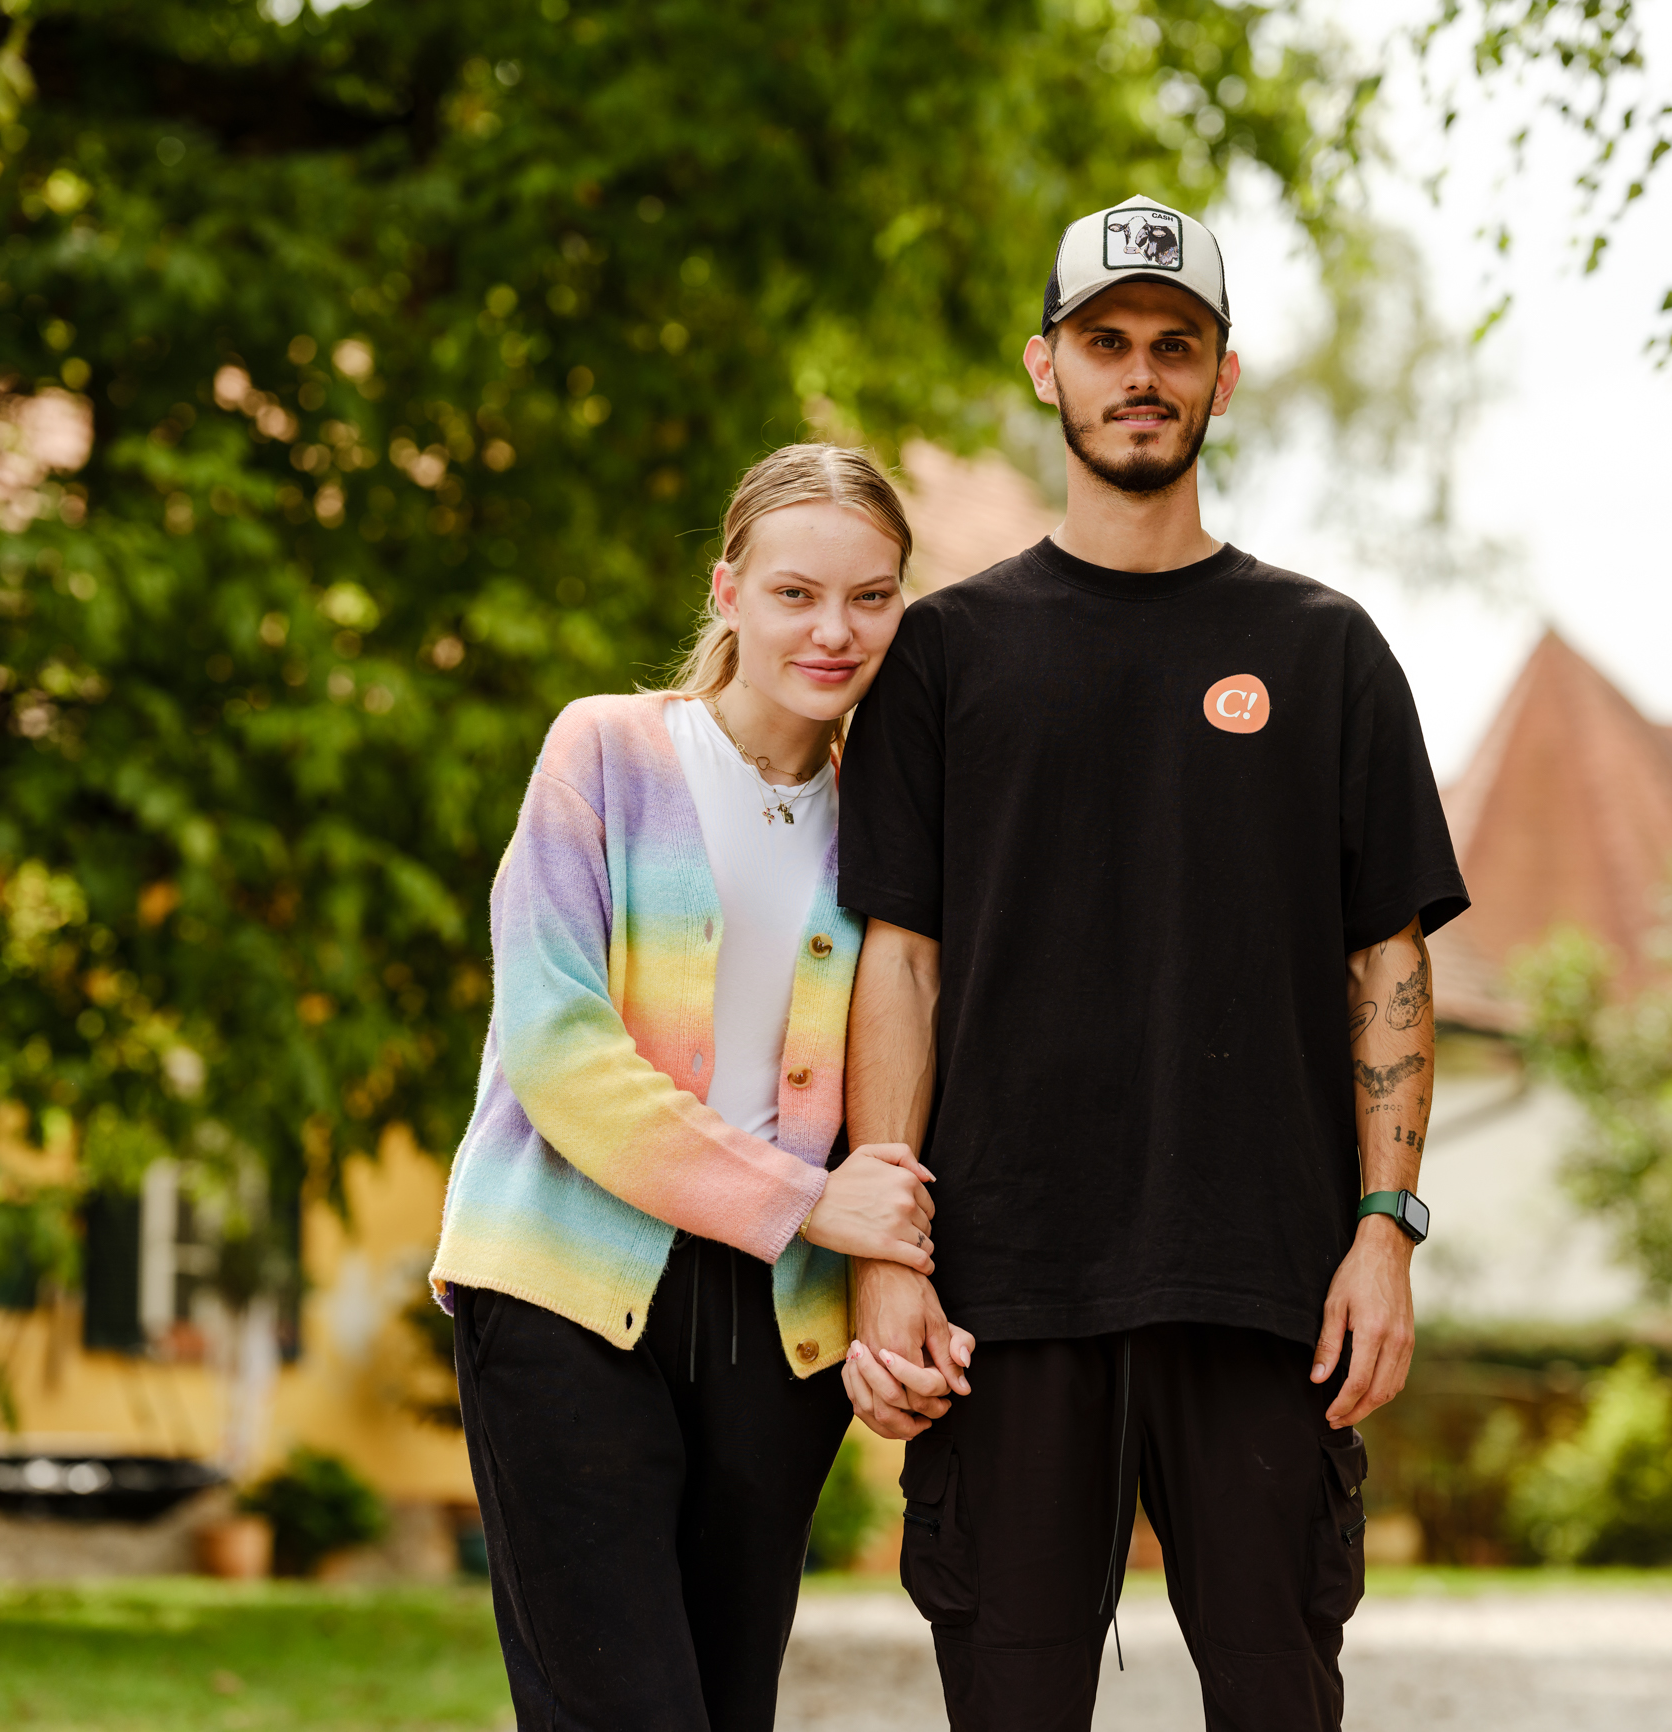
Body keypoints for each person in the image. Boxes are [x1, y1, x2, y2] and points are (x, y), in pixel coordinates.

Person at [835, 196, 1471, 1731]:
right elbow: (898, 965)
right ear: (1045, 366)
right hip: (1007, 1291)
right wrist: (883, 1258)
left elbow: (1382, 962)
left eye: (1172, 347)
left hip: (1265, 1287)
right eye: (1106, 342)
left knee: (1275, 1701)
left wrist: (1383, 1227)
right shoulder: (944, 655)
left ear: (1222, 379)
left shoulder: (1325, 652)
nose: (1140, 373)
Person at [430, 443, 957, 1732]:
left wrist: (899, 1272)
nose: (834, 631)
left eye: (872, 598)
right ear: (727, 591)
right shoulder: (605, 752)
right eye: (795, 593)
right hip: (564, 1286)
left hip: (773, 1335)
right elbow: (557, 1050)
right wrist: (811, 1203)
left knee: (728, 1709)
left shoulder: (884, 826)